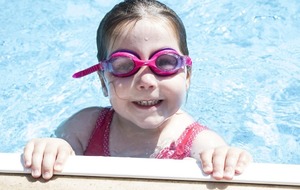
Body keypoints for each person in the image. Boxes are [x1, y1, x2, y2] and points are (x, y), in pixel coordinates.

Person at [23, 0, 252, 180]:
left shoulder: (199, 144)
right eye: (125, 66)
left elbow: (223, 165)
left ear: (188, 75)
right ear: (103, 82)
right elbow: (56, 147)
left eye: (165, 62)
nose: (146, 81)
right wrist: (53, 148)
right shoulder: (85, 127)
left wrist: (225, 158)